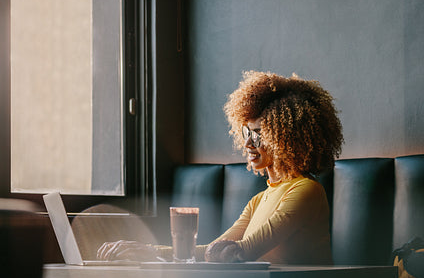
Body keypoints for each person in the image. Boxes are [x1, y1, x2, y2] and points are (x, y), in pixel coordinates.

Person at [98, 71, 343, 264]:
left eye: (258, 135)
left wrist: (154, 253)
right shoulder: (258, 200)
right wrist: (149, 251)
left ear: (286, 137)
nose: (247, 143)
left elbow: (242, 251)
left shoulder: (306, 190)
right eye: (246, 132)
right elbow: (214, 249)